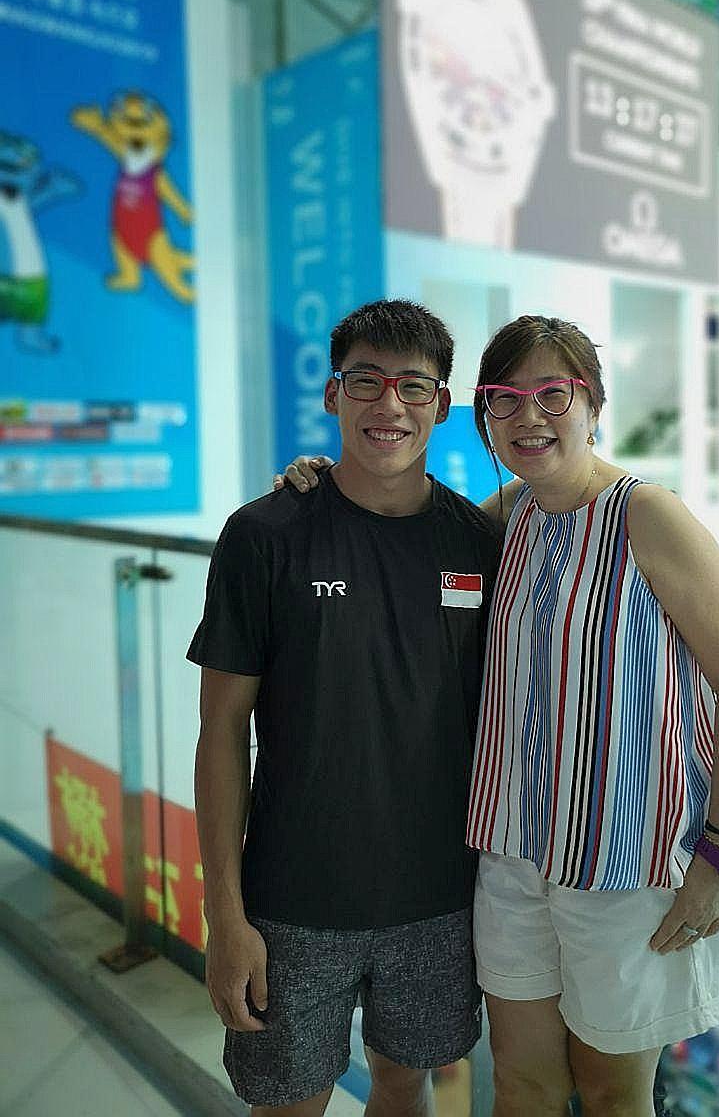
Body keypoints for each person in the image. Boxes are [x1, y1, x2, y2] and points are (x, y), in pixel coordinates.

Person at [282, 313, 719, 1117]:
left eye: (554, 394)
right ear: (481, 419)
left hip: (630, 863)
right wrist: (317, 485)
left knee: (614, 1096)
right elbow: (402, 523)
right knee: (525, 1083)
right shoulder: (507, 516)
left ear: (593, 404)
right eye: (504, 399)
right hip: (512, 859)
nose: (529, 416)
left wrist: (717, 859)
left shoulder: (648, 516)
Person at [190, 299, 503, 1117]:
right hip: (294, 902)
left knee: (405, 1084)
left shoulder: (478, 543)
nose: (388, 404)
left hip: (439, 897)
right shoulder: (265, 535)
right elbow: (221, 732)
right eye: (364, 380)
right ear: (333, 396)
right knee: (291, 1101)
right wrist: (225, 914)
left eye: (413, 385)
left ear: (441, 404)